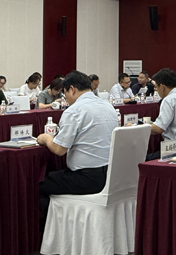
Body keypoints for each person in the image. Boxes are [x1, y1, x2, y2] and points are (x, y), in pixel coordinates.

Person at [36, 71, 118, 221]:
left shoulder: (74, 110)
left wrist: (46, 138)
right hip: (110, 175)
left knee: (37, 185)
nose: (65, 98)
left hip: (86, 179)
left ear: (72, 89)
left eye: (65, 93)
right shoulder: (108, 106)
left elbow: (59, 150)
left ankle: (56, 227)